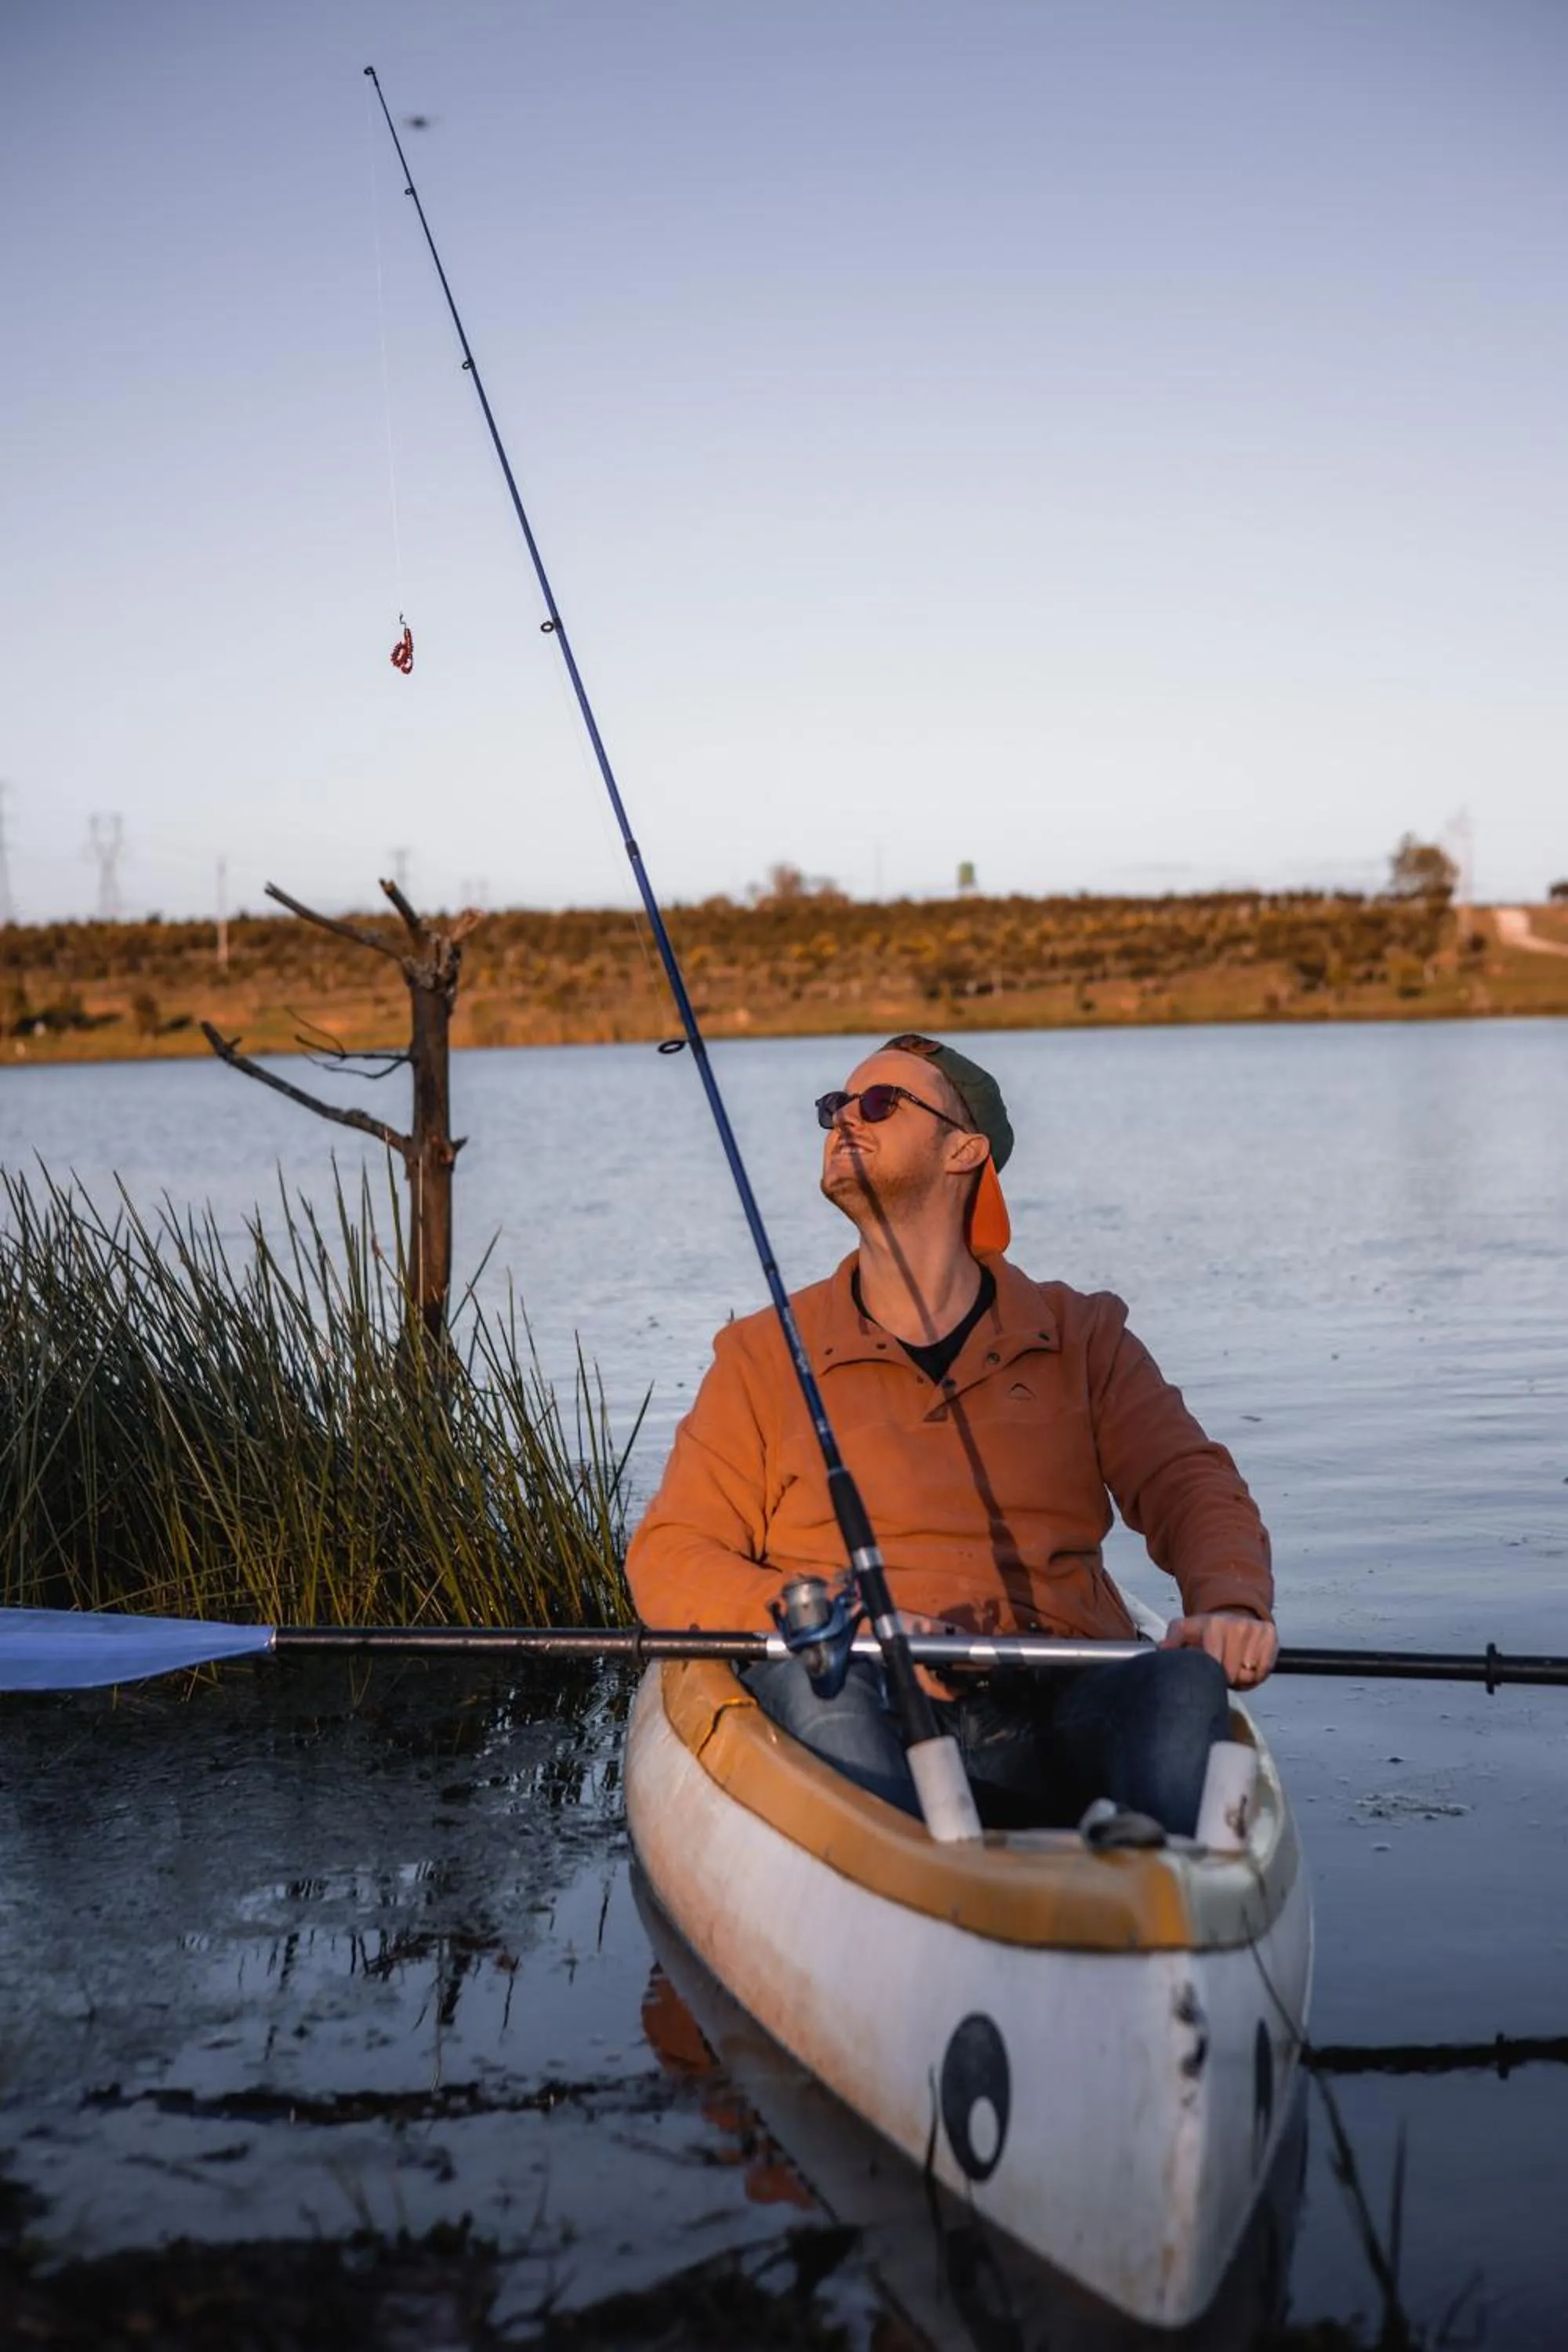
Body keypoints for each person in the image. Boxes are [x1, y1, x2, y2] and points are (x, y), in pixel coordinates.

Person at [625, 1033, 1278, 1835]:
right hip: (855, 1687)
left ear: (964, 1151)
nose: (844, 1119)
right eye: (835, 1105)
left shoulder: (1083, 1335)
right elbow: (670, 1554)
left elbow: (1190, 1485)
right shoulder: (760, 1354)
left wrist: (1229, 1603)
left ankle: (1160, 1878)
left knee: (1179, 1686)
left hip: (1060, 1690)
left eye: (879, 1104)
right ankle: (908, 1875)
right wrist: (824, 1616)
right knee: (818, 1690)